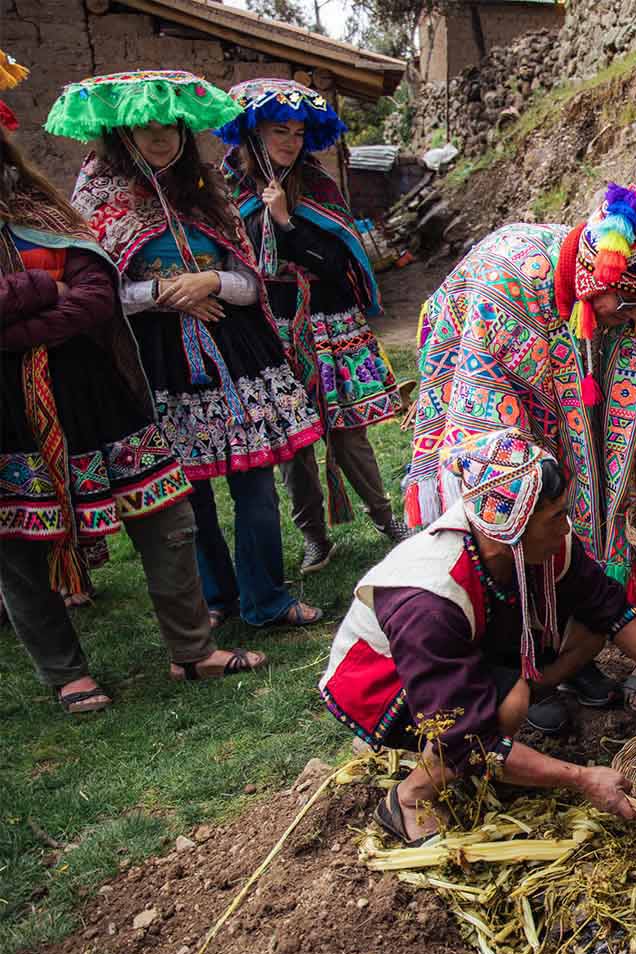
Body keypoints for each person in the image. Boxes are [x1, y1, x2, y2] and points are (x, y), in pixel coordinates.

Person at [1, 75, 266, 714]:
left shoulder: (42, 212)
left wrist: (34, 310)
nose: (161, 136)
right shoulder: (98, 193)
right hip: (8, 410)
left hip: (96, 388)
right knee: (20, 546)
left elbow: (95, 292)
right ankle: (68, 674)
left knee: (167, 516)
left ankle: (192, 649)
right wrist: (47, 292)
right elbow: (81, 291)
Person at [320, 430, 636, 843]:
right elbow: (462, 735)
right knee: (499, 711)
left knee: (589, 629)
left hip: (464, 650)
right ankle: (410, 796)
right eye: (554, 518)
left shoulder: (528, 546)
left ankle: (503, 740)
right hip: (383, 683)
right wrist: (582, 778)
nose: (565, 527)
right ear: (508, 529)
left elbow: (610, 608)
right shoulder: (430, 601)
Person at [49, 70, 325, 630]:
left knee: (256, 483)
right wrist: (164, 293)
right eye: (146, 129)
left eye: (169, 128)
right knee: (187, 489)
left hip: (235, 349)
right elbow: (98, 291)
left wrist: (211, 284)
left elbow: (250, 279)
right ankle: (214, 597)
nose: (160, 140)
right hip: (156, 360)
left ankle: (266, 598)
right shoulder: (100, 201)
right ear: (122, 134)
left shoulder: (208, 190)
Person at [406, 185, 636, 714]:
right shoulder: (506, 283)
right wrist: (537, 472)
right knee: (523, 505)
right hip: (490, 383)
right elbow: (488, 438)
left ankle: (569, 648)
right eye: (625, 304)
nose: (635, 317)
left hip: (575, 387)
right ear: (592, 278)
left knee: (594, 492)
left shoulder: (629, 299)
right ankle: (517, 657)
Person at [217, 78, 409, 576]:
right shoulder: (226, 192)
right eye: (280, 130)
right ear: (252, 133)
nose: (291, 142)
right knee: (293, 444)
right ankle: (314, 537)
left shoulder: (317, 185)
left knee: (348, 433)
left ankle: (387, 520)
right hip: (270, 330)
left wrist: (284, 221)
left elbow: (336, 263)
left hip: (327, 323)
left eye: (299, 132)